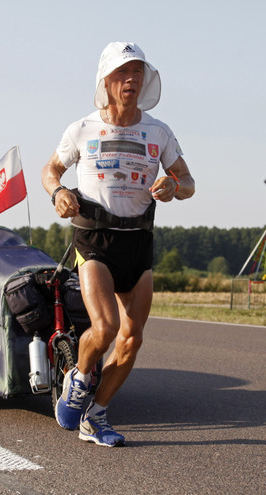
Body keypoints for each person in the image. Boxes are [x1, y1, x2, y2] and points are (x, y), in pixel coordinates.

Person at [41, 42, 195, 447]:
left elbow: (189, 182)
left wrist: (173, 184)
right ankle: (79, 376)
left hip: (138, 241)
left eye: (138, 73)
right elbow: (50, 169)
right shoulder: (82, 129)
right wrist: (57, 192)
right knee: (105, 327)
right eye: (123, 74)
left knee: (132, 338)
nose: (132, 80)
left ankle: (97, 414)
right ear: (106, 81)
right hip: (94, 239)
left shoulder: (158, 132)